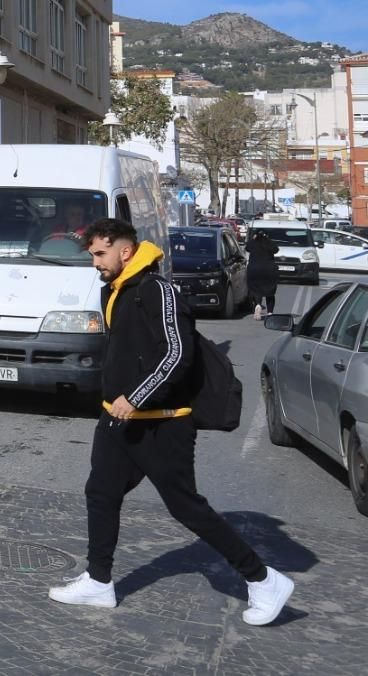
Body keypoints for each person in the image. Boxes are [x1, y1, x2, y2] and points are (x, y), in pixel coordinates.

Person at [47, 218, 293, 626]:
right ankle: (98, 580)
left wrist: (137, 396)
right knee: (101, 492)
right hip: (119, 419)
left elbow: (178, 354)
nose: (94, 262)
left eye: (99, 253)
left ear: (125, 251)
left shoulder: (156, 290)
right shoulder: (118, 288)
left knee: (185, 507)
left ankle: (263, 579)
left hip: (162, 422)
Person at [246, 229, 280, 319]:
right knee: (270, 292)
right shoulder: (269, 243)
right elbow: (276, 249)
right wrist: (267, 239)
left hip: (254, 270)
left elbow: (247, 247)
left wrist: (253, 239)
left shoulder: (253, 243)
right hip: (269, 270)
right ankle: (270, 313)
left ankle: (258, 305)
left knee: (257, 290)